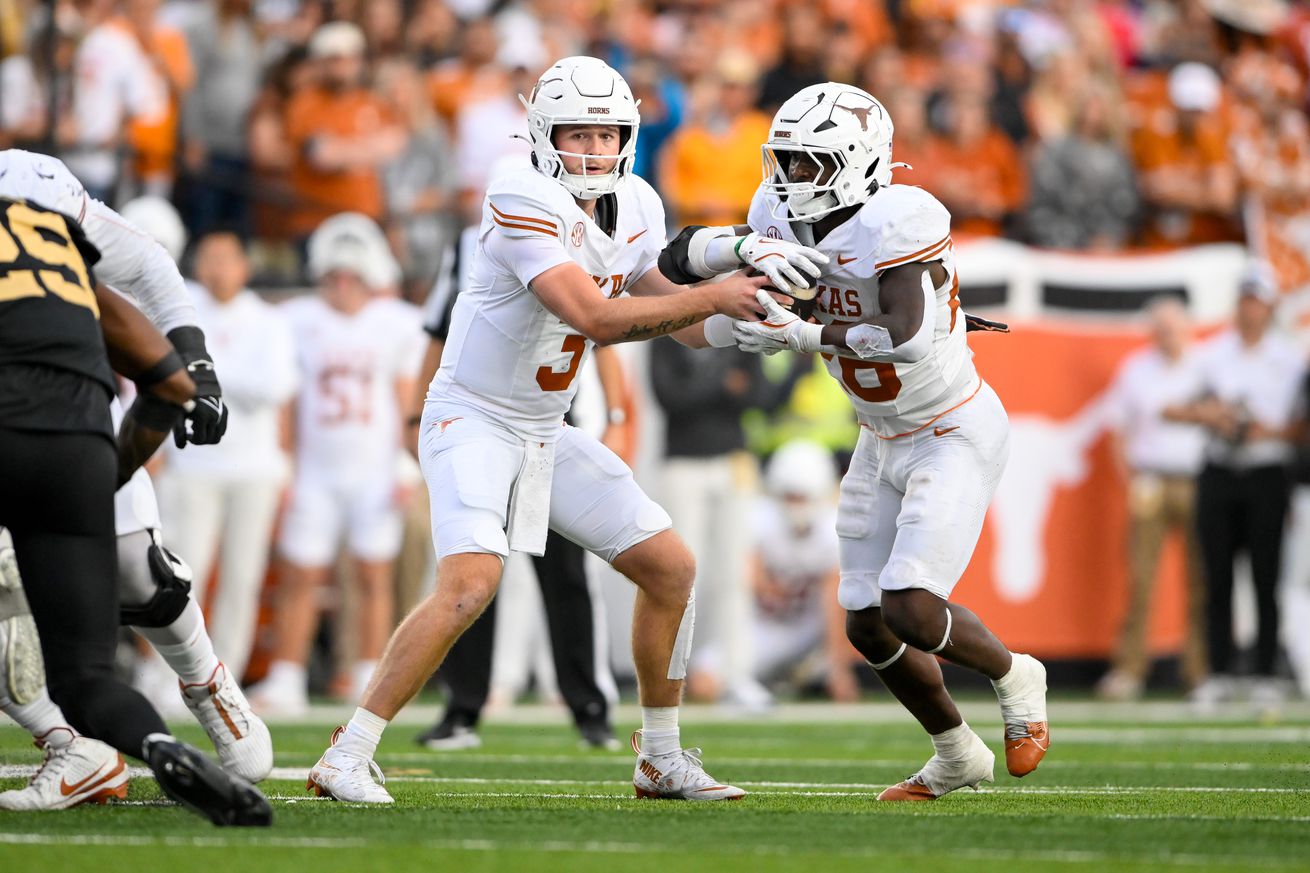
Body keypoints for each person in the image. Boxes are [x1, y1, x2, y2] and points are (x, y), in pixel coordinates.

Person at [305, 56, 801, 804]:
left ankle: (660, 757)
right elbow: (596, 317)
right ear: (542, 133)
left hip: (543, 425)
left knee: (670, 568)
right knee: (471, 583)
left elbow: (679, 318)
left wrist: (748, 322)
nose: (597, 151)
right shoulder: (517, 191)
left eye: (608, 135)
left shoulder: (635, 200)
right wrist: (718, 295)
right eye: (579, 134)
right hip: (470, 415)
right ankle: (347, 751)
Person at [658, 82, 1049, 801]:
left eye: (810, 164)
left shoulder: (899, 218)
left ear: (859, 163)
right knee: (867, 625)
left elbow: (901, 334)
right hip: (879, 435)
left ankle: (1014, 672)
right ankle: (956, 752)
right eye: (787, 161)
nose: (790, 180)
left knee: (910, 607)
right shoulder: (774, 211)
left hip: (949, 426)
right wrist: (740, 277)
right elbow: (680, 259)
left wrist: (799, 332)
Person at [0, 152, 268, 824]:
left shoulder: (34, 189)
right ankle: (73, 745)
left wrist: (198, 366)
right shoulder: (49, 227)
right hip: (79, 433)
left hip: (63, 417)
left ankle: (206, 679)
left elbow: (146, 269)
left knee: (136, 571)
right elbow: (158, 373)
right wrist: (190, 381)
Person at [413, 223, 622, 751]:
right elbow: (438, 330)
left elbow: (607, 328)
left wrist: (619, 412)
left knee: (566, 574)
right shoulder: (471, 241)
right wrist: (412, 413)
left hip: (547, 421)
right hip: (479, 421)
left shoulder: (581, 238)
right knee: (470, 568)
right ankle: (463, 705)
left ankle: (588, 707)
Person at [248, 213, 424, 715]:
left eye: (352, 276)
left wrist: (403, 465)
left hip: (373, 467)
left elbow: (405, 396)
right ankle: (286, 676)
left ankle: (372, 671)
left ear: (371, 277)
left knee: (374, 573)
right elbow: (287, 398)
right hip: (315, 469)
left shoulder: (395, 324)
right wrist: (285, 463)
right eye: (334, 276)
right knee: (300, 575)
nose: (342, 286)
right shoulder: (297, 320)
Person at [155, 231, 299, 683]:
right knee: (181, 572)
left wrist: (204, 374)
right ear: (198, 264)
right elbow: (163, 377)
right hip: (193, 464)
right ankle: (168, 674)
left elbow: (276, 388)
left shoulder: (266, 319)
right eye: (209, 258)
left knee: (243, 575)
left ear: (244, 265)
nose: (218, 268)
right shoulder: (179, 310)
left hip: (254, 467)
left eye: (227, 258)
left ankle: (226, 675)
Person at [1164, 265, 1306, 710]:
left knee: (1267, 576)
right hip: (1220, 470)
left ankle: (1266, 671)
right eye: (1244, 300)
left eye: (1257, 301)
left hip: (1267, 472)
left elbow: (1301, 425)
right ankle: (1218, 672)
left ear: (1269, 308)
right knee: (1217, 576)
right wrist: (1214, 416)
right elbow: (1172, 408)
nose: (1250, 310)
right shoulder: (1213, 354)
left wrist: (1271, 432)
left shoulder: (1291, 357)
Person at [1097, 297, 1207, 700]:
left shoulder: (1206, 365)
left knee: (1203, 578)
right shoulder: (1136, 368)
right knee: (1141, 577)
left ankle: (1200, 671)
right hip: (1152, 480)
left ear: (1188, 329)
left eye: (1174, 328)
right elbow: (1118, 430)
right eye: (1161, 328)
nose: (1168, 336)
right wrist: (1132, 478)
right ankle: (1130, 668)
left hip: (1199, 480)